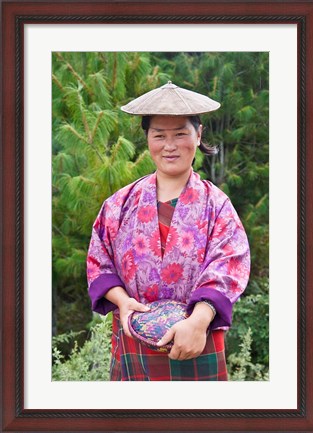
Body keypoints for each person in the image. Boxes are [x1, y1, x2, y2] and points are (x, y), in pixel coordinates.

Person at [87, 81, 250, 381]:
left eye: (180, 134)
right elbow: (100, 262)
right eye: (159, 135)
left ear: (199, 135)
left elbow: (228, 267)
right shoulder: (120, 204)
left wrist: (198, 322)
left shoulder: (217, 206)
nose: (169, 145)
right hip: (134, 342)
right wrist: (123, 302)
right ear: (147, 139)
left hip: (196, 340)